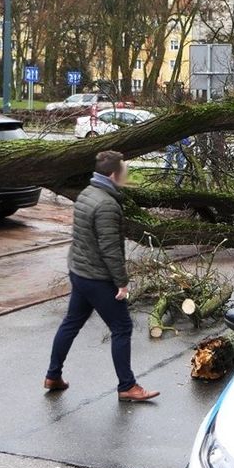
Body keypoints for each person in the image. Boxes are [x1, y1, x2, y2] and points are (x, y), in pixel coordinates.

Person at [46, 151, 159, 402]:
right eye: (123, 171)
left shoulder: (87, 194)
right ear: (112, 174)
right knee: (122, 328)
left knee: (71, 322)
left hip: (79, 271)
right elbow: (110, 249)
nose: (126, 175)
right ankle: (127, 386)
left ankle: (53, 376)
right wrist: (121, 282)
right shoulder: (107, 204)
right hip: (97, 278)